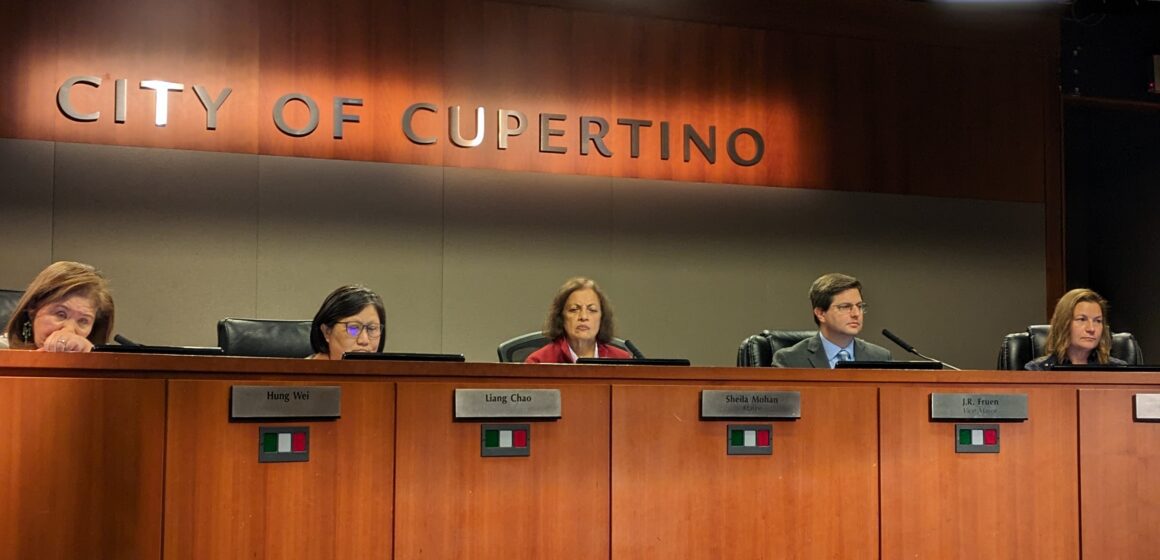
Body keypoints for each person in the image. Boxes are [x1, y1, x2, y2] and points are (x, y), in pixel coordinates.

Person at [772, 272, 891, 368]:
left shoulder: (880, 357)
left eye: (859, 306)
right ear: (821, 314)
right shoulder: (790, 361)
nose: (856, 314)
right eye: (845, 307)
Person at [1, 261, 115, 352]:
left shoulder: (107, 359)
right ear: (32, 308)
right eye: (60, 314)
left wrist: (92, 360)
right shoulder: (3, 350)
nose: (69, 330)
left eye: (83, 321)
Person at [525, 277, 632, 364]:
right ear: (561, 317)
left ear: (602, 318)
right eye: (574, 310)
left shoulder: (622, 362)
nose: (583, 316)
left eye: (592, 310)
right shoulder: (539, 362)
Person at [1025, 288, 1127, 370]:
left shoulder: (1119, 370)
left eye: (1097, 321)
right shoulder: (1038, 370)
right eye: (1082, 319)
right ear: (1064, 324)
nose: (1091, 329)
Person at [308, 285, 386, 360]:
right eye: (353, 328)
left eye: (372, 329)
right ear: (327, 332)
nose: (364, 340)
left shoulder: (390, 372)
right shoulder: (302, 371)